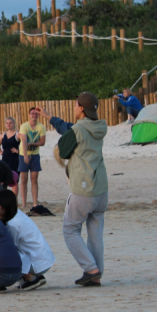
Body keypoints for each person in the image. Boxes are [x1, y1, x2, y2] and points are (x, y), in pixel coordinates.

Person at [35, 92, 108, 287]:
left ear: (81, 108)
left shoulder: (78, 130)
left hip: (83, 189)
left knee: (70, 230)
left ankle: (90, 270)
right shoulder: (100, 127)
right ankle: (97, 274)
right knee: (95, 234)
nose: (74, 107)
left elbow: (65, 148)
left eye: (76, 105)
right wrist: (49, 117)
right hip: (101, 188)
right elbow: (69, 128)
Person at [0, 190, 55, 291]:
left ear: (5, 205)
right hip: (43, 259)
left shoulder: (13, 224)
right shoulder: (17, 214)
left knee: (3, 252)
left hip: (37, 263)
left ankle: (30, 277)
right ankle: (35, 276)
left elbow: (9, 247)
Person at [17, 107, 46, 209]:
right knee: (24, 180)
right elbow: (24, 140)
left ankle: (34, 202)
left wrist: (33, 143)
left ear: (38, 115)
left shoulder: (41, 127)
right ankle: (24, 203)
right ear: (29, 115)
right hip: (23, 154)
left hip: (35, 155)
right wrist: (25, 155)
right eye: (32, 113)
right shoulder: (24, 126)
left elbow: (42, 142)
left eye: (36, 114)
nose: (34, 115)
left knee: (34, 179)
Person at [0, 117, 20, 196]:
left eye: (10, 123)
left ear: (14, 124)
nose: (9, 124)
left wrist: (18, 151)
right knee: (3, 179)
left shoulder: (18, 134)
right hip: (5, 159)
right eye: (7, 123)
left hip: (15, 159)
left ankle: (14, 199)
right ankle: (4, 198)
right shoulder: (3, 135)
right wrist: (0, 152)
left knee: (14, 180)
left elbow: (25, 145)